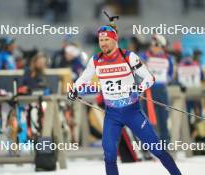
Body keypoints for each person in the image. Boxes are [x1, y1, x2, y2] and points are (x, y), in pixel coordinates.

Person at [67, 25, 181, 175]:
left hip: (132, 112)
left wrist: (138, 89)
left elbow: (149, 78)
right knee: (109, 154)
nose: (103, 43)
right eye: (101, 40)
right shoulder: (95, 60)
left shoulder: (129, 56)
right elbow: (83, 79)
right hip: (112, 114)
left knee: (157, 149)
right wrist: (74, 89)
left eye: (107, 39)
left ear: (115, 40)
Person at [140, 34, 173, 142]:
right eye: (153, 44)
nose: (154, 47)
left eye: (157, 44)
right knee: (147, 118)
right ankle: (148, 144)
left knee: (163, 117)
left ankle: (165, 143)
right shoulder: (145, 56)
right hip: (148, 91)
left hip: (162, 90)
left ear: (162, 46)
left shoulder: (167, 58)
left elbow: (170, 74)